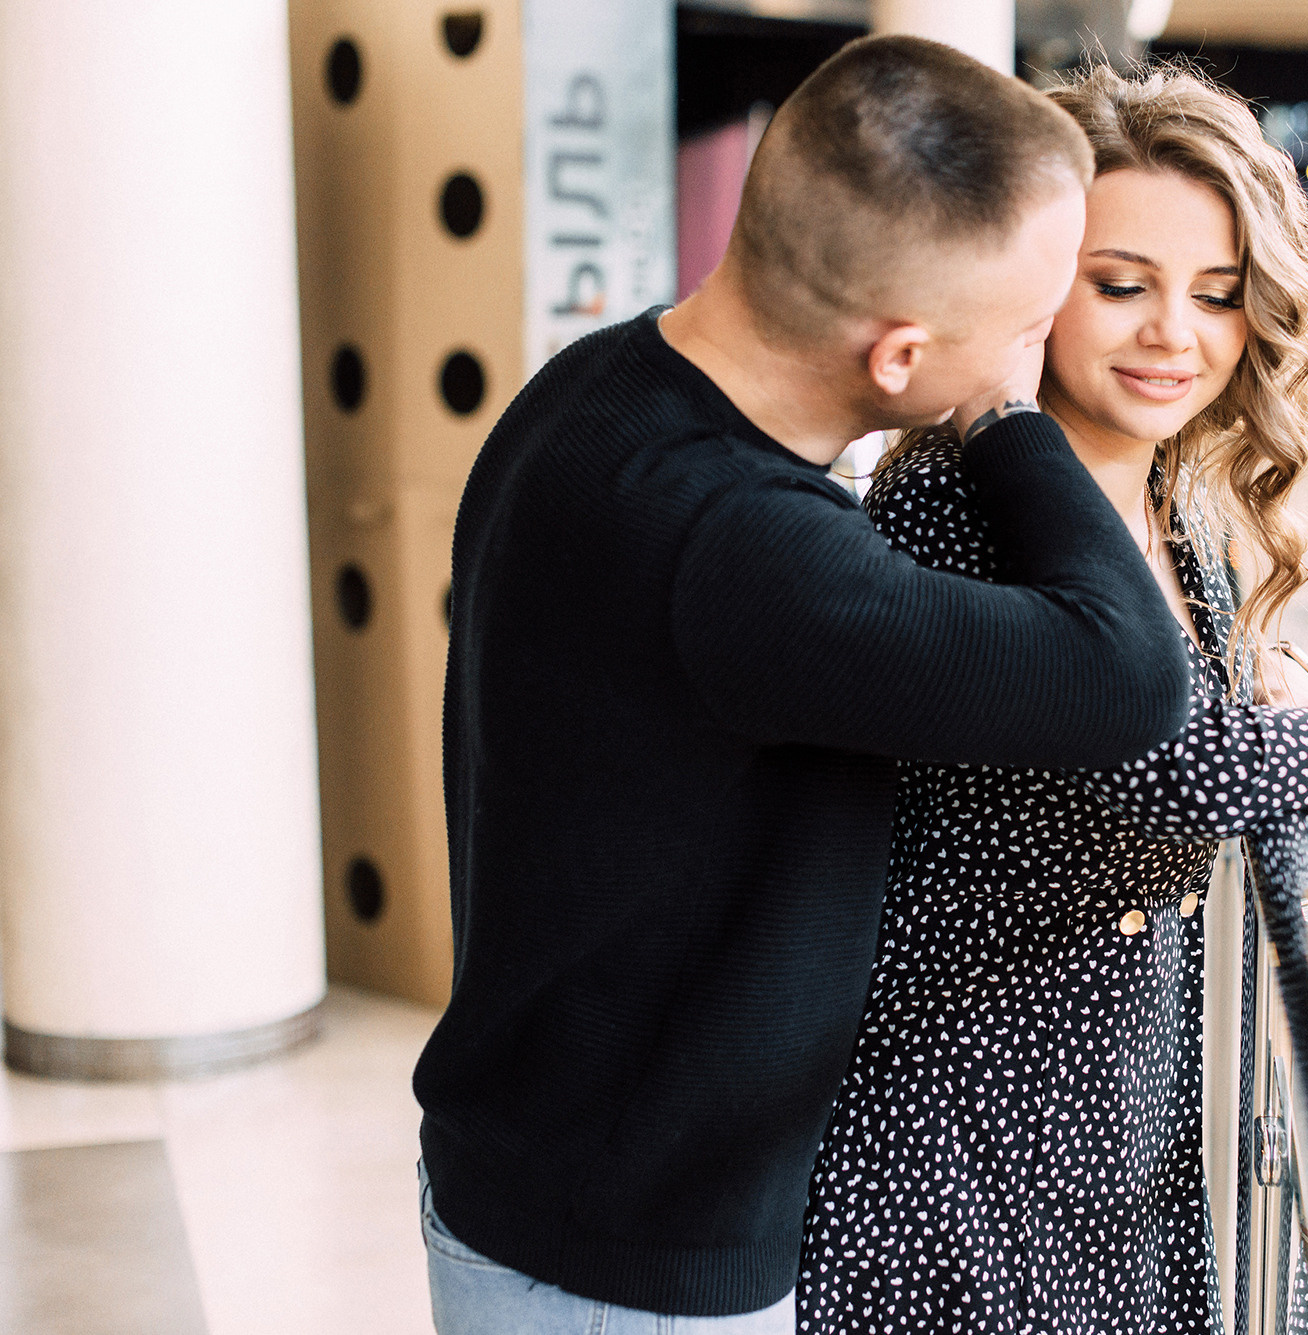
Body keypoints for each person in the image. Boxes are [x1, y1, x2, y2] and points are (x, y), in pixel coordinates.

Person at [411, 37, 1200, 1335]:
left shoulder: (599, 380)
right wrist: (1006, 419)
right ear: (898, 359)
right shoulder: (748, 551)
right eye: (1024, 329)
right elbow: (1126, 677)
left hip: (546, 1176)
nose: (1041, 350)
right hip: (625, 1267)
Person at [796, 62, 1308, 1333]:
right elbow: (1173, 767)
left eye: (1217, 293)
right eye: (1120, 285)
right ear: (1034, 287)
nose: (1171, 336)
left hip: (1112, 1163)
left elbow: (1203, 722)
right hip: (948, 1189)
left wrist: (1282, 688)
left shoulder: (1169, 502)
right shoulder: (962, 507)